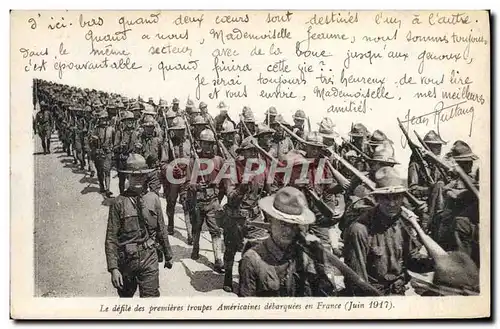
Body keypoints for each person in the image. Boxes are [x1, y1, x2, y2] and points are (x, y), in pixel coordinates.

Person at [343, 166, 433, 296]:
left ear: (402, 198)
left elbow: (411, 261)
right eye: (386, 198)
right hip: (374, 296)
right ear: (377, 199)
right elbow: (357, 281)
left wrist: (435, 263)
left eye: (396, 197)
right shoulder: (360, 230)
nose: (392, 204)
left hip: (398, 291)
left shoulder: (403, 221)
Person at [238, 186, 336, 297]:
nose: (288, 231)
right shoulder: (252, 259)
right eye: (283, 224)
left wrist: (321, 263)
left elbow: (326, 299)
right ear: (270, 221)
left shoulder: (305, 257)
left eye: (294, 225)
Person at [105, 153, 173, 297]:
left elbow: (161, 229)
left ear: (146, 177)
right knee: (126, 302)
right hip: (126, 260)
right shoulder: (119, 202)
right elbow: (111, 238)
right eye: (134, 176)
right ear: (128, 177)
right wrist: (113, 268)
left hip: (149, 256)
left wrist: (168, 255)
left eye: (141, 176)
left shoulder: (153, 199)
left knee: (150, 300)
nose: (138, 179)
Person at [222, 136, 271, 293]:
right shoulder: (231, 168)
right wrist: (242, 188)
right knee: (230, 248)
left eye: (256, 151)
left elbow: (267, 194)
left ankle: (247, 280)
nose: (254, 155)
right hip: (235, 216)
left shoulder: (262, 169)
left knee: (257, 250)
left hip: (255, 216)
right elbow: (230, 196)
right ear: (243, 153)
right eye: (250, 151)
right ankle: (228, 276)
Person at [434, 140, 479, 267]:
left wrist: (457, 193)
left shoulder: (471, 178)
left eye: (470, 161)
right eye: (466, 162)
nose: (470, 164)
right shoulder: (456, 178)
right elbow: (447, 190)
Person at [186, 129, 226, 272]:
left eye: (210, 144)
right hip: (198, 200)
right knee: (196, 226)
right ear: (200, 144)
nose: (208, 147)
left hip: (213, 200)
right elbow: (187, 183)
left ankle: (218, 259)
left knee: (215, 230)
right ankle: (195, 247)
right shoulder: (193, 161)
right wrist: (196, 185)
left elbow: (224, 182)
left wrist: (218, 197)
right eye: (205, 144)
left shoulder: (219, 160)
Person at [161, 117, 193, 240]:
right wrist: (171, 168)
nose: (180, 132)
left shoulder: (189, 143)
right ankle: (170, 225)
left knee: (186, 204)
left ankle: (190, 234)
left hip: (185, 178)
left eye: (182, 129)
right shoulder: (168, 144)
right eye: (177, 130)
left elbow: (193, 160)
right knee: (171, 203)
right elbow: (162, 164)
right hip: (173, 179)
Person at [90, 110, 115, 197]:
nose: (103, 120)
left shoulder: (111, 129)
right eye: (101, 119)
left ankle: (108, 189)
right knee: (100, 171)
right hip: (98, 152)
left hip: (108, 152)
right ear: (99, 119)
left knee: (107, 171)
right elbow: (91, 142)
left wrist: (112, 149)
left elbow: (114, 141)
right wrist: (94, 140)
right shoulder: (96, 129)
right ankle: (102, 185)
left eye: (105, 118)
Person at [113, 111, 139, 194]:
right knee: (122, 179)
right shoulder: (119, 133)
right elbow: (114, 148)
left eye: (132, 120)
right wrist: (120, 145)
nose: (130, 122)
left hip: (133, 159)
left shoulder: (136, 133)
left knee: (133, 178)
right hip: (122, 158)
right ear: (124, 122)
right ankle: (122, 194)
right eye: (128, 120)